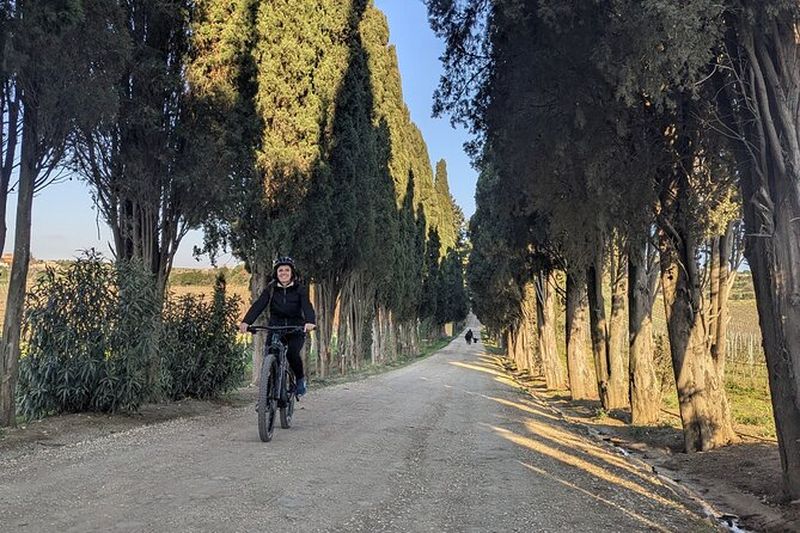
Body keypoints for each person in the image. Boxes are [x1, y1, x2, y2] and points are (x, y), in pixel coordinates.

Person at [239, 256, 316, 396]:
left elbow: (307, 306)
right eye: (281, 270)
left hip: (295, 328)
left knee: (292, 353)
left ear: (292, 272)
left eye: (287, 270)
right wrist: (246, 321)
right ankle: (266, 396)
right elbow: (259, 305)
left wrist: (310, 321)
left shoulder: (300, 289)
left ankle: (300, 379)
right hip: (276, 327)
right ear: (276, 273)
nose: (284, 273)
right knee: (270, 355)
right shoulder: (271, 289)